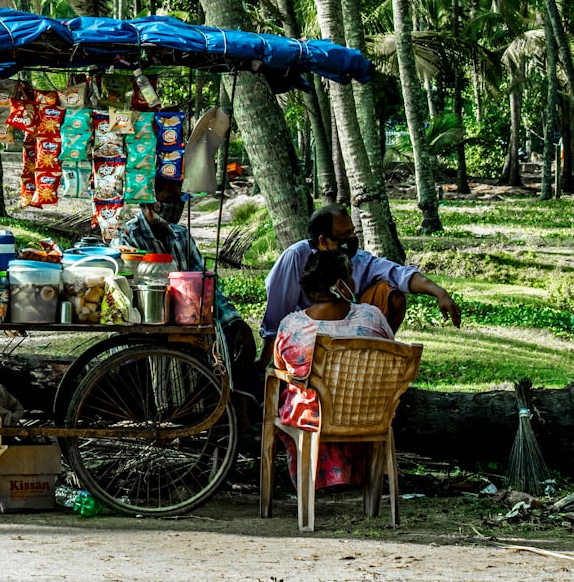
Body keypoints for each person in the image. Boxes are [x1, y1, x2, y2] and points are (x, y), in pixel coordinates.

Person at [119, 175, 260, 410]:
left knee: (231, 341)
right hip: (148, 324)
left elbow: (206, 283)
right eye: (171, 198)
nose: (178, 203)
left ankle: (236, 413)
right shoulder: (128, 236)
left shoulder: (182, 235)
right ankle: (182, 412)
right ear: (150, 201)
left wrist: (236, 322)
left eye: (181, 197)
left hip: (188, 319)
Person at [260, 204, 461, 367]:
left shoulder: (358, 260)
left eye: (352, 232)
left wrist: (439, 292)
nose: (352, 239)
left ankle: (374, 358)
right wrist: (264, 359)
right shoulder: (295, 257)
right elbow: (277, 308)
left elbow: (398, 273)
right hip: (306, 337)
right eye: (344, 235)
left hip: (349, 328)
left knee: (391, 292)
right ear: (323, 241)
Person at [273, 249, 394, 489]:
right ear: (340, 284)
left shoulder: (292, 326)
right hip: (367, 414)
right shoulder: (372, 318)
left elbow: (280, 368)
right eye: (350, 275)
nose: (354, 281)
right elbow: (390, 354)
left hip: (312, 418)